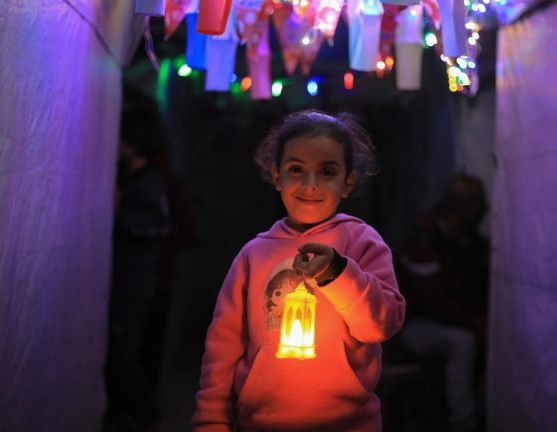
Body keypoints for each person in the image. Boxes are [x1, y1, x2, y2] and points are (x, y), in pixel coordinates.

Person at [191, 110, 406, 431]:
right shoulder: (254, 254)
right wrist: (211, 421)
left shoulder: (361, 242)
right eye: (296, 169)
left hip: (349, 424)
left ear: (347, 182)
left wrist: (337, 272)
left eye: (327, 171)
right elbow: (223, 348)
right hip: (260, 423)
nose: (310, 184)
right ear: (277, 176)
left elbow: (381, 325)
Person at [396, 174, 490, 432]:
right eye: (478, 203)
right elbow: (433, 300)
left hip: (453, 323)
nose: (485, 209)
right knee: (464, 342)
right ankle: (464, 423)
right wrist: (474, 323)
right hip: (413, 326)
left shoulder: (472, 242)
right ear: (463, 205)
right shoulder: (424, 238)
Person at [105, 108, 171, 432]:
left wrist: (119, 213)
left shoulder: (150, 182)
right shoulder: (128, 176)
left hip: (134, 280)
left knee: (123, 351)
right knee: (115, 349)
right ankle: (122, 414)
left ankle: (149, 417)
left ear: (133, 142)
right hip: (121, 276)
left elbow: (160, 226)